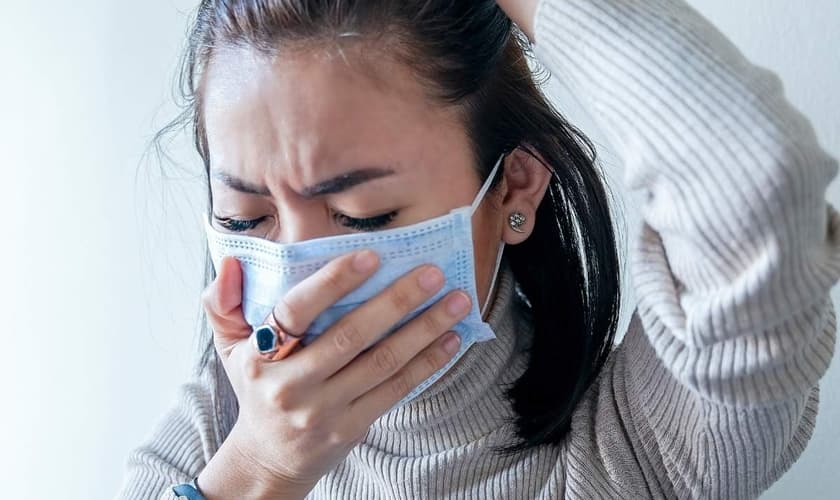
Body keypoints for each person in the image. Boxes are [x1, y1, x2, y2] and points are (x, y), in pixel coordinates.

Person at [117, 0, 840, 498]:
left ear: (514, 191)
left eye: (363, 215)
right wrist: (257, 471)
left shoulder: (640, 448)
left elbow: (753, 181)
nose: (308, 278)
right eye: (245, 220)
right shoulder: (215, 429)